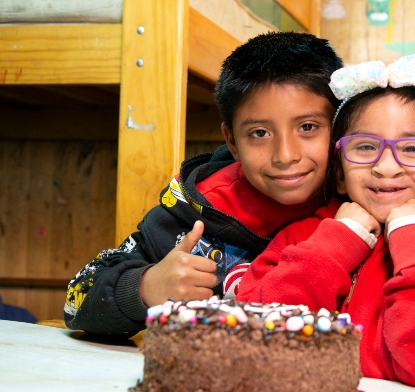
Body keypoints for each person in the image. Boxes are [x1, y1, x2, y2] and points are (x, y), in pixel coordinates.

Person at [230, 54, 415, 390]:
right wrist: (335, 246)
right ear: (339, 173)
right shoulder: (300, 240)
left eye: (412, 149)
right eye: (365, 147)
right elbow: (249, 333)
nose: (386, 166)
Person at [63, 32, 344, 337]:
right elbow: (75, 302)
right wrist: (147, 287)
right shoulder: (192, 215)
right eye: (260, 133)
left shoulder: (363, 205)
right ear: (232, 141)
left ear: (340, 126)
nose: (286, 155)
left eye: (307, 127)